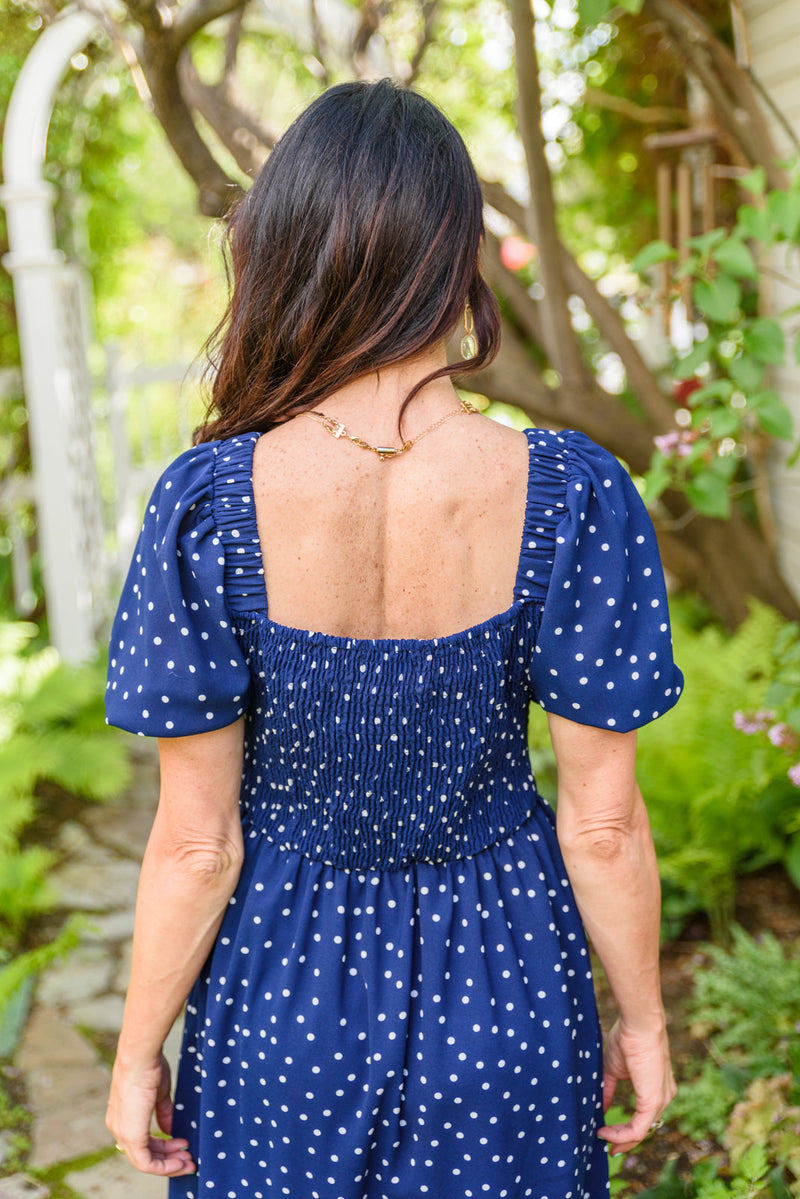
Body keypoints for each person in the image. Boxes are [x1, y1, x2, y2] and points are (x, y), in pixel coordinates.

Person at [104, 78, 682, 1199]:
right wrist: (644, 1017)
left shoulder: (210, 504)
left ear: (281, 253)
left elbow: (194, 842)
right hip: (507, 991)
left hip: (282, 996)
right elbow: (600, 822)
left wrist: (136, 1052)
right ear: (455, 257)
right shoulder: (568, 493)